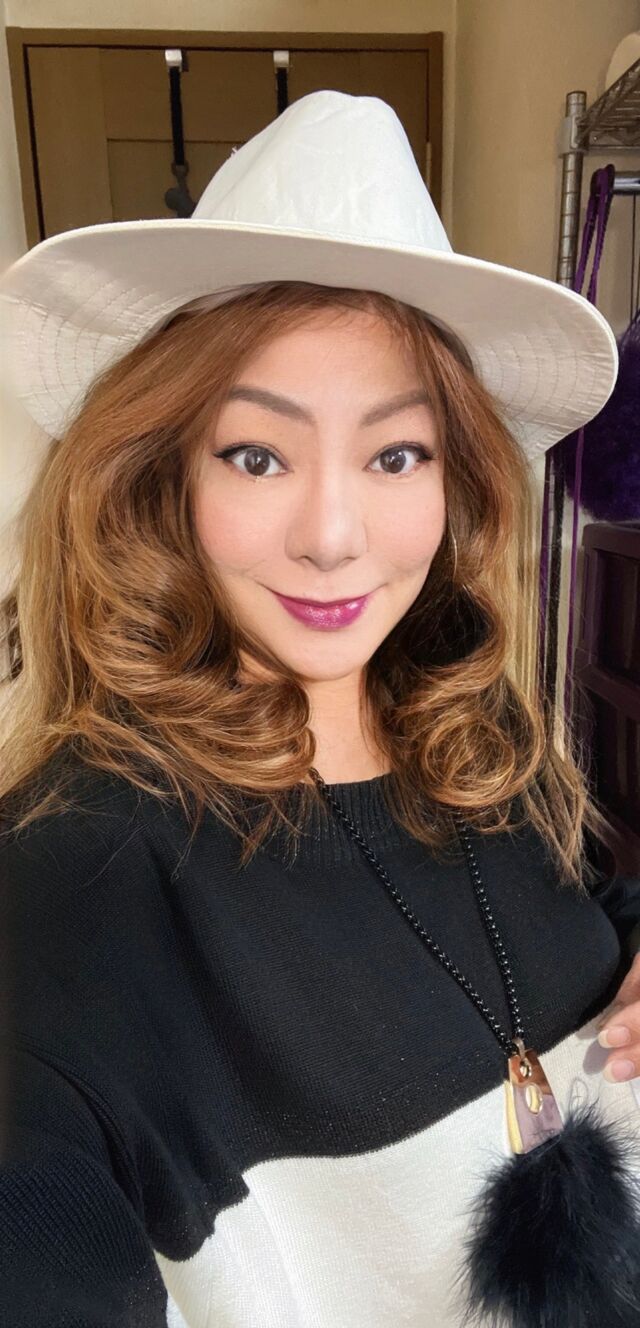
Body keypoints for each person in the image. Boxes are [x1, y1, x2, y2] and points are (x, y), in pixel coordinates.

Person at [0, 90, 639, 1328]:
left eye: (395, 454)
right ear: (161, 478)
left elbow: (572, 918)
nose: (334, 536)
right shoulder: (72, 882)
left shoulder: (473, 739)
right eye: (257, 454)